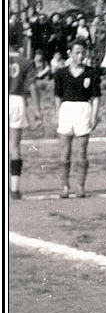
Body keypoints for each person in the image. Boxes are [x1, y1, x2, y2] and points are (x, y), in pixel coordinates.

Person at [54, 39, 101, 198]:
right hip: (66, 110)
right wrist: (57, 113)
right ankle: (64, 186)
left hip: (83, 110)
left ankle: (80, 186)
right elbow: (58, 97)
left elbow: (95, 97)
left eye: (83, 52)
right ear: (70, 53)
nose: (80, 56)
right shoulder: (61, 73)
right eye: (77, 52)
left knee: (82, 152)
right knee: (64, 152)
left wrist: (94, 116)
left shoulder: (91, 72)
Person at [9, 28, 42, 199]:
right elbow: (32, 86)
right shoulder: (25, 62)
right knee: (14, 146)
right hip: (16, 102)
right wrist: (36, 109)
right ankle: (14, 189)